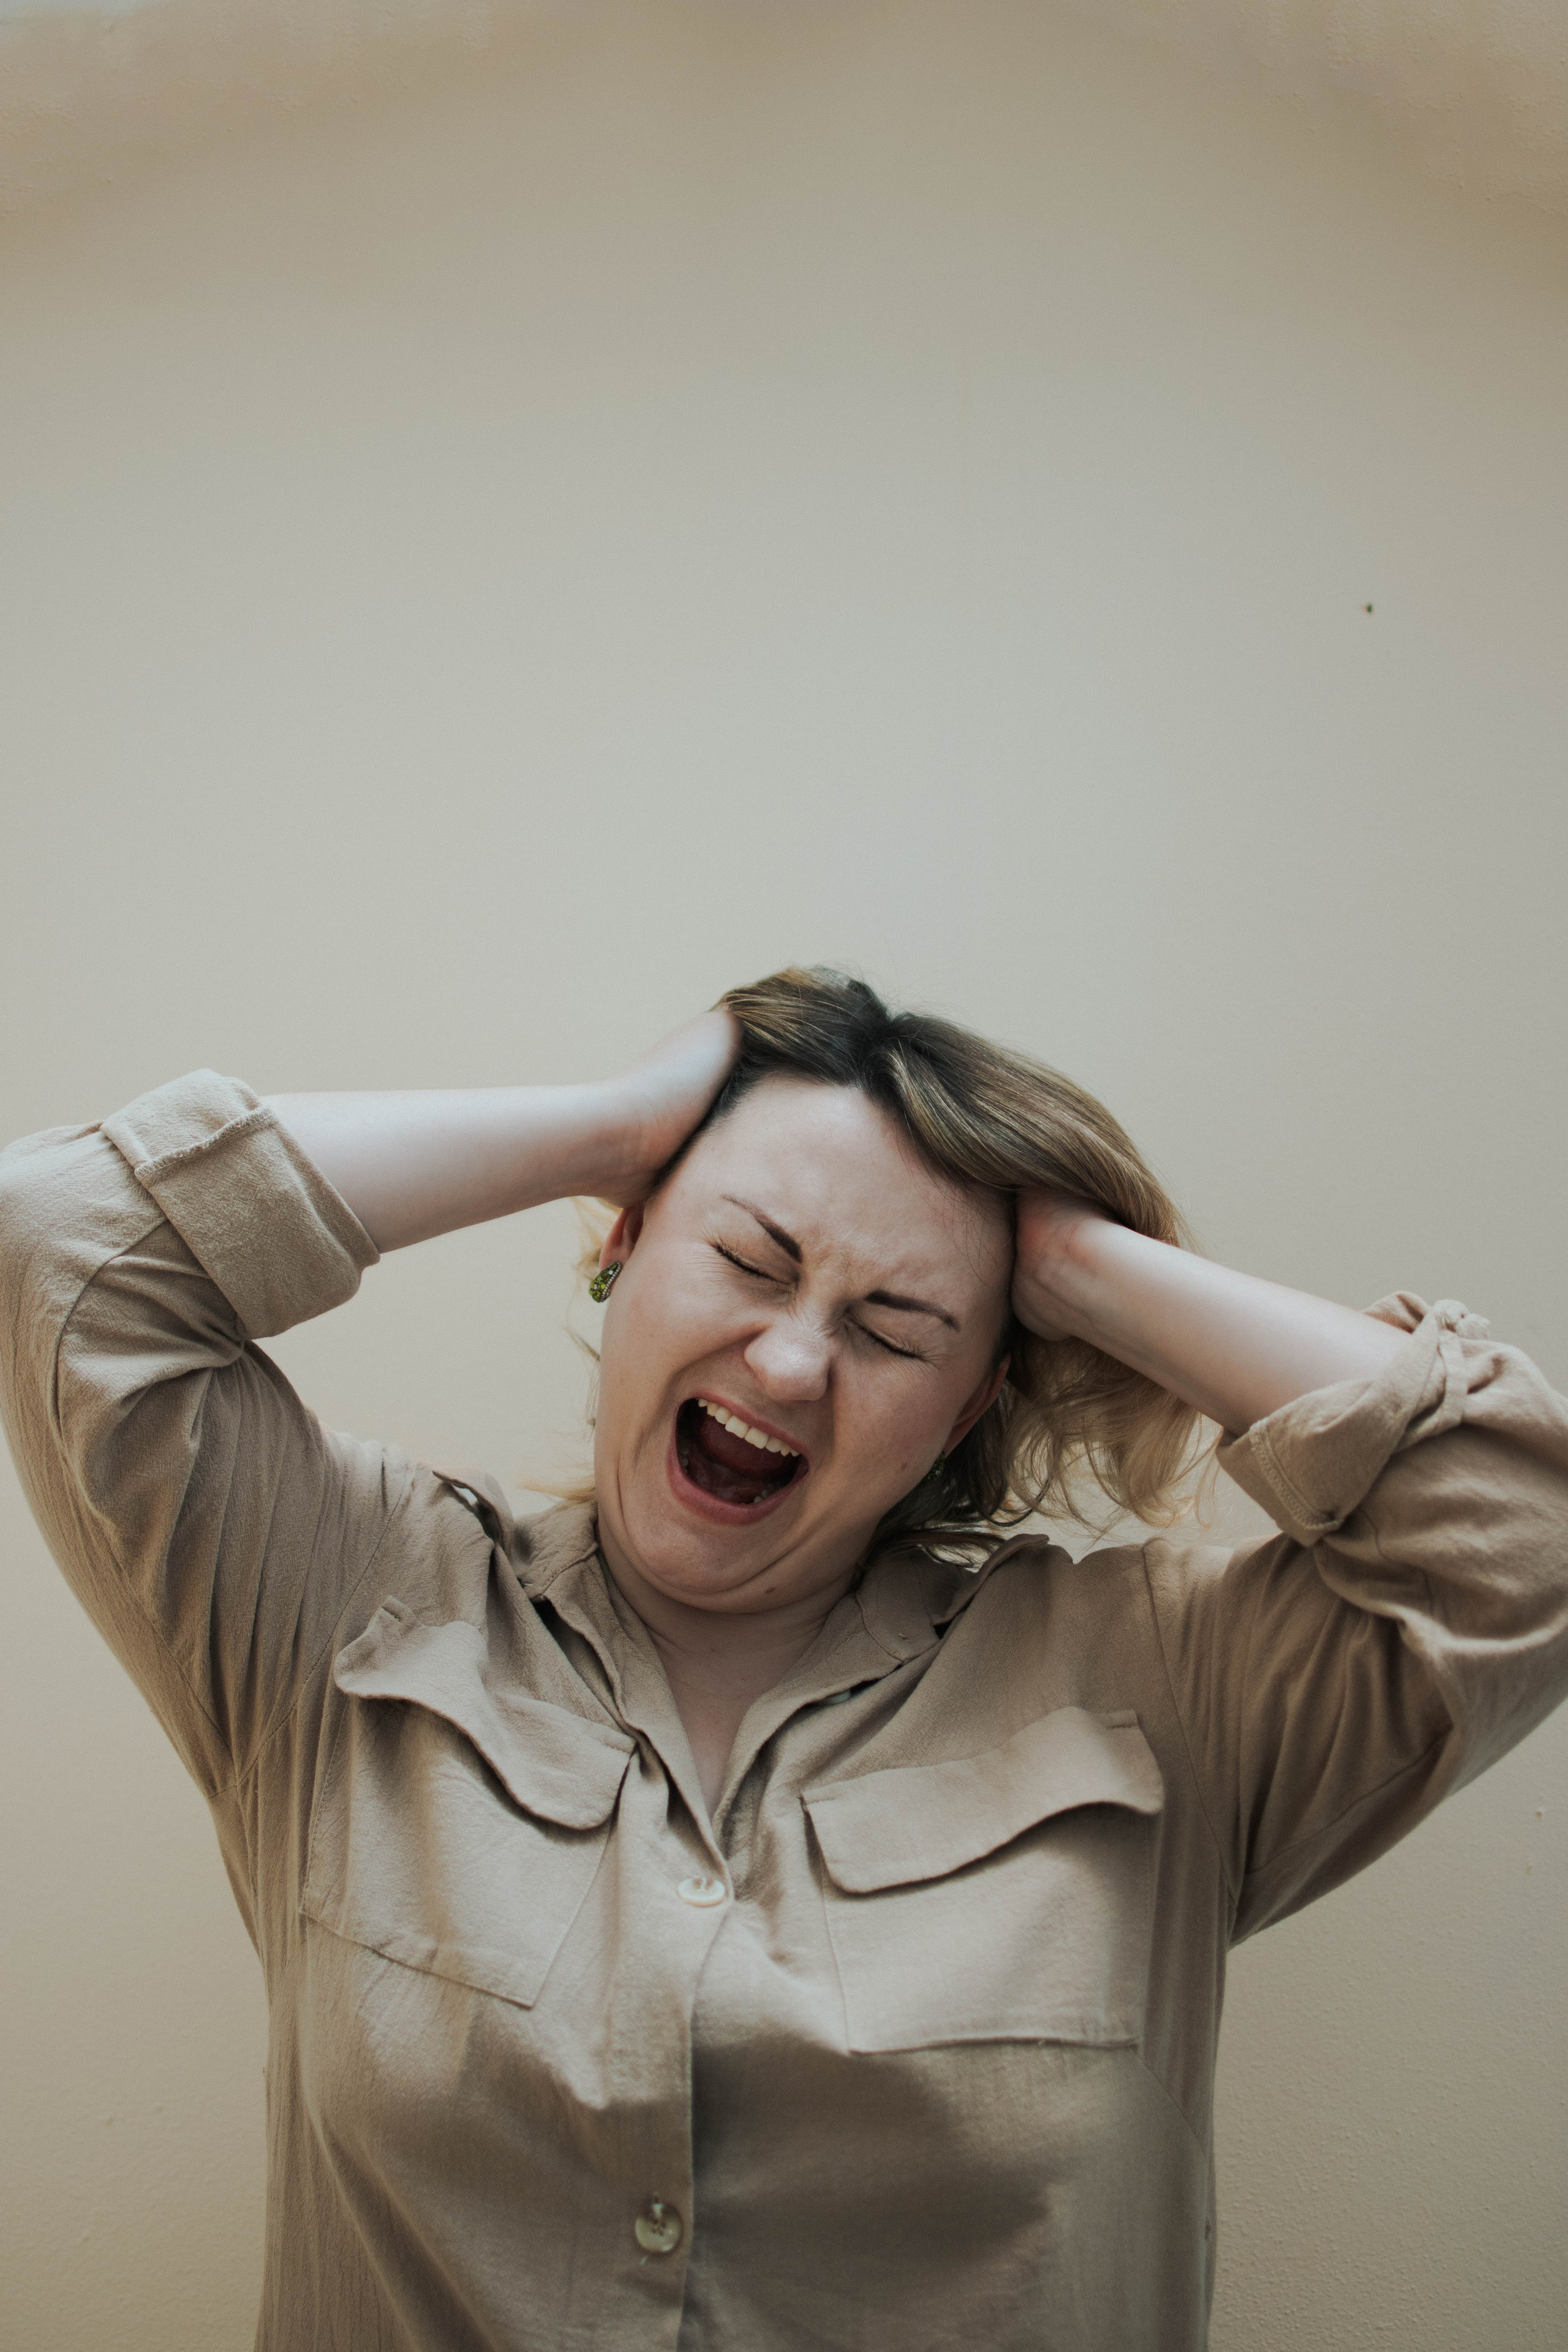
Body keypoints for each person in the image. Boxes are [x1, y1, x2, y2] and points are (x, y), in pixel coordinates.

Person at [1, 965, 1564, 2352]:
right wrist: (615, 1123)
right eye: (748, 1259)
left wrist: (1073, 1270)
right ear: (617, 1251)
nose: (796, 1361)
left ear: (964, 1410)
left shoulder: (1159, 1684)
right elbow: (63, 1248)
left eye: (895, 1330)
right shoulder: (338, 1601)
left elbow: (1520, 1536)